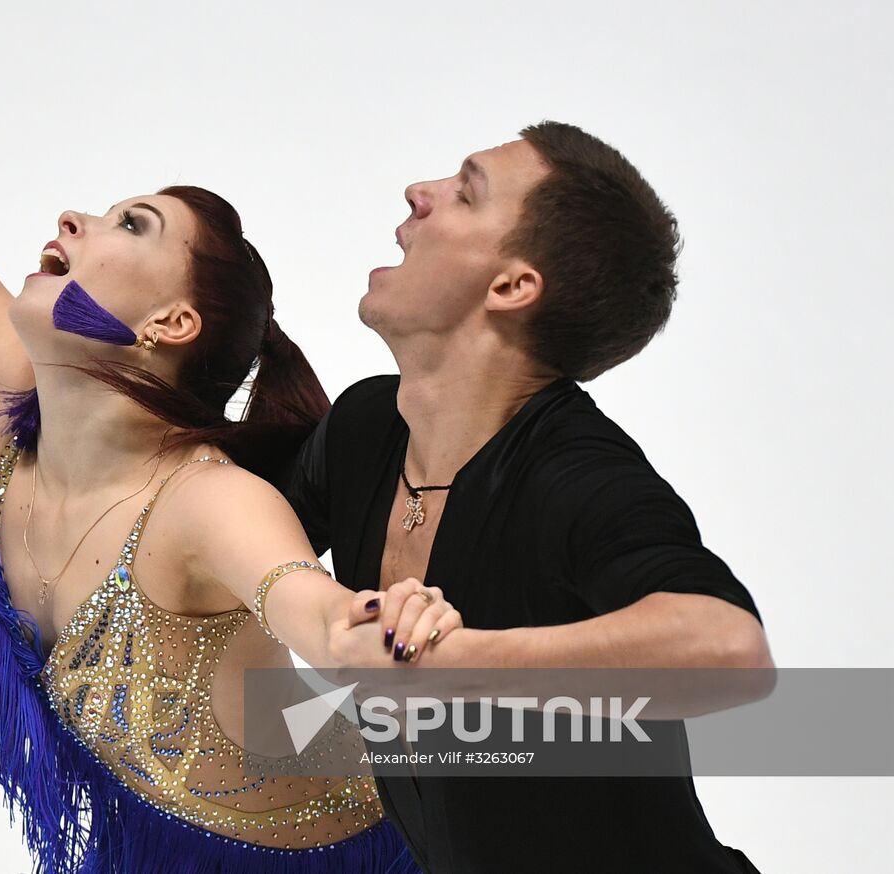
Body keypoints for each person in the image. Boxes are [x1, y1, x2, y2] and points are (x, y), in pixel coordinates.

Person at [0, 92, 456, 873]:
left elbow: (309, 610)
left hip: (366, 848)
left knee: (617, 729)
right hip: (156, 843)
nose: (73, 218)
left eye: (131, 223)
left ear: (172, 324)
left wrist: (371, 624)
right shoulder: (18, 417)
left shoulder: (204, 503)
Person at [276, 121, 775, 873]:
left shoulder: (572, 471)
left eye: (465, 192)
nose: (421, 192)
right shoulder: (365, 428)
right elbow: (220, 532)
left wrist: (456, 662)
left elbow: (730, 651)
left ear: (511, 286)